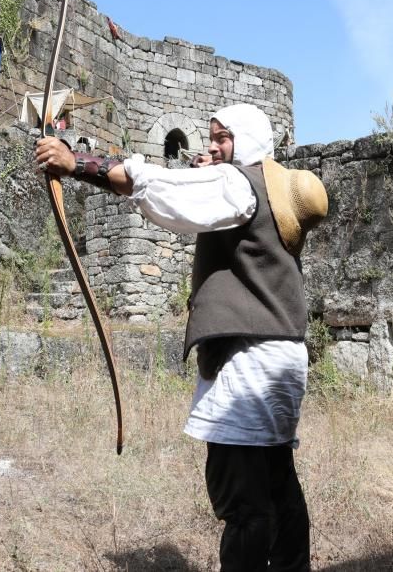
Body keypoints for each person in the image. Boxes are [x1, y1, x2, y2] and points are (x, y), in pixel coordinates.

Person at [35, 103, 328, 571]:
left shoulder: (238, 183)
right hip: (278, 354)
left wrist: (78, 164)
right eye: (211, 137)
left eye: (223, 137)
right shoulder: (265, 191)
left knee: (244, 501)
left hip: (249, 361)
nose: (212, 145)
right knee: (276, 483)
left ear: (248, 142)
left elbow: (161, 188)